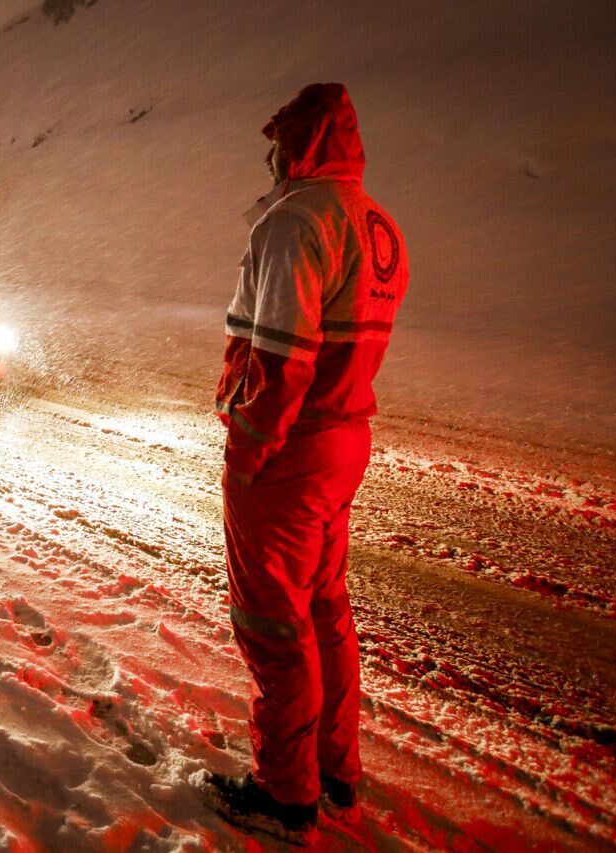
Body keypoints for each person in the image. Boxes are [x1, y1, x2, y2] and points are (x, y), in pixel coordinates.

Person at [206, 83, 409, 840]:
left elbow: (283, 357)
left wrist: (252, 447)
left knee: (272, 620)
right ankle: (334, 770)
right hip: (346, 434)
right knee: (325, 608)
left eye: (280, 144)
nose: (273, 158)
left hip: (291, 446)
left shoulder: (293, 222)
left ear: (301, 145)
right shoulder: (379, 223)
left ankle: (284, 792)